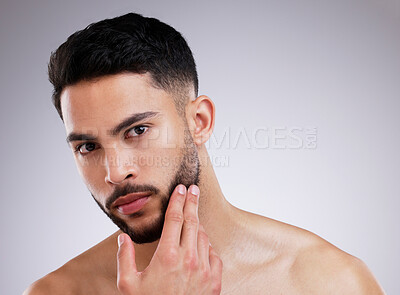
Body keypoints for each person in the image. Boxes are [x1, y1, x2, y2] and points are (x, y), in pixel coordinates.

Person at [24, 12, 385, 294]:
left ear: (199, 120)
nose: (115, 172)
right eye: (88, 146)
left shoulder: (331, 283)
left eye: (137, 131)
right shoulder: (54, 292)